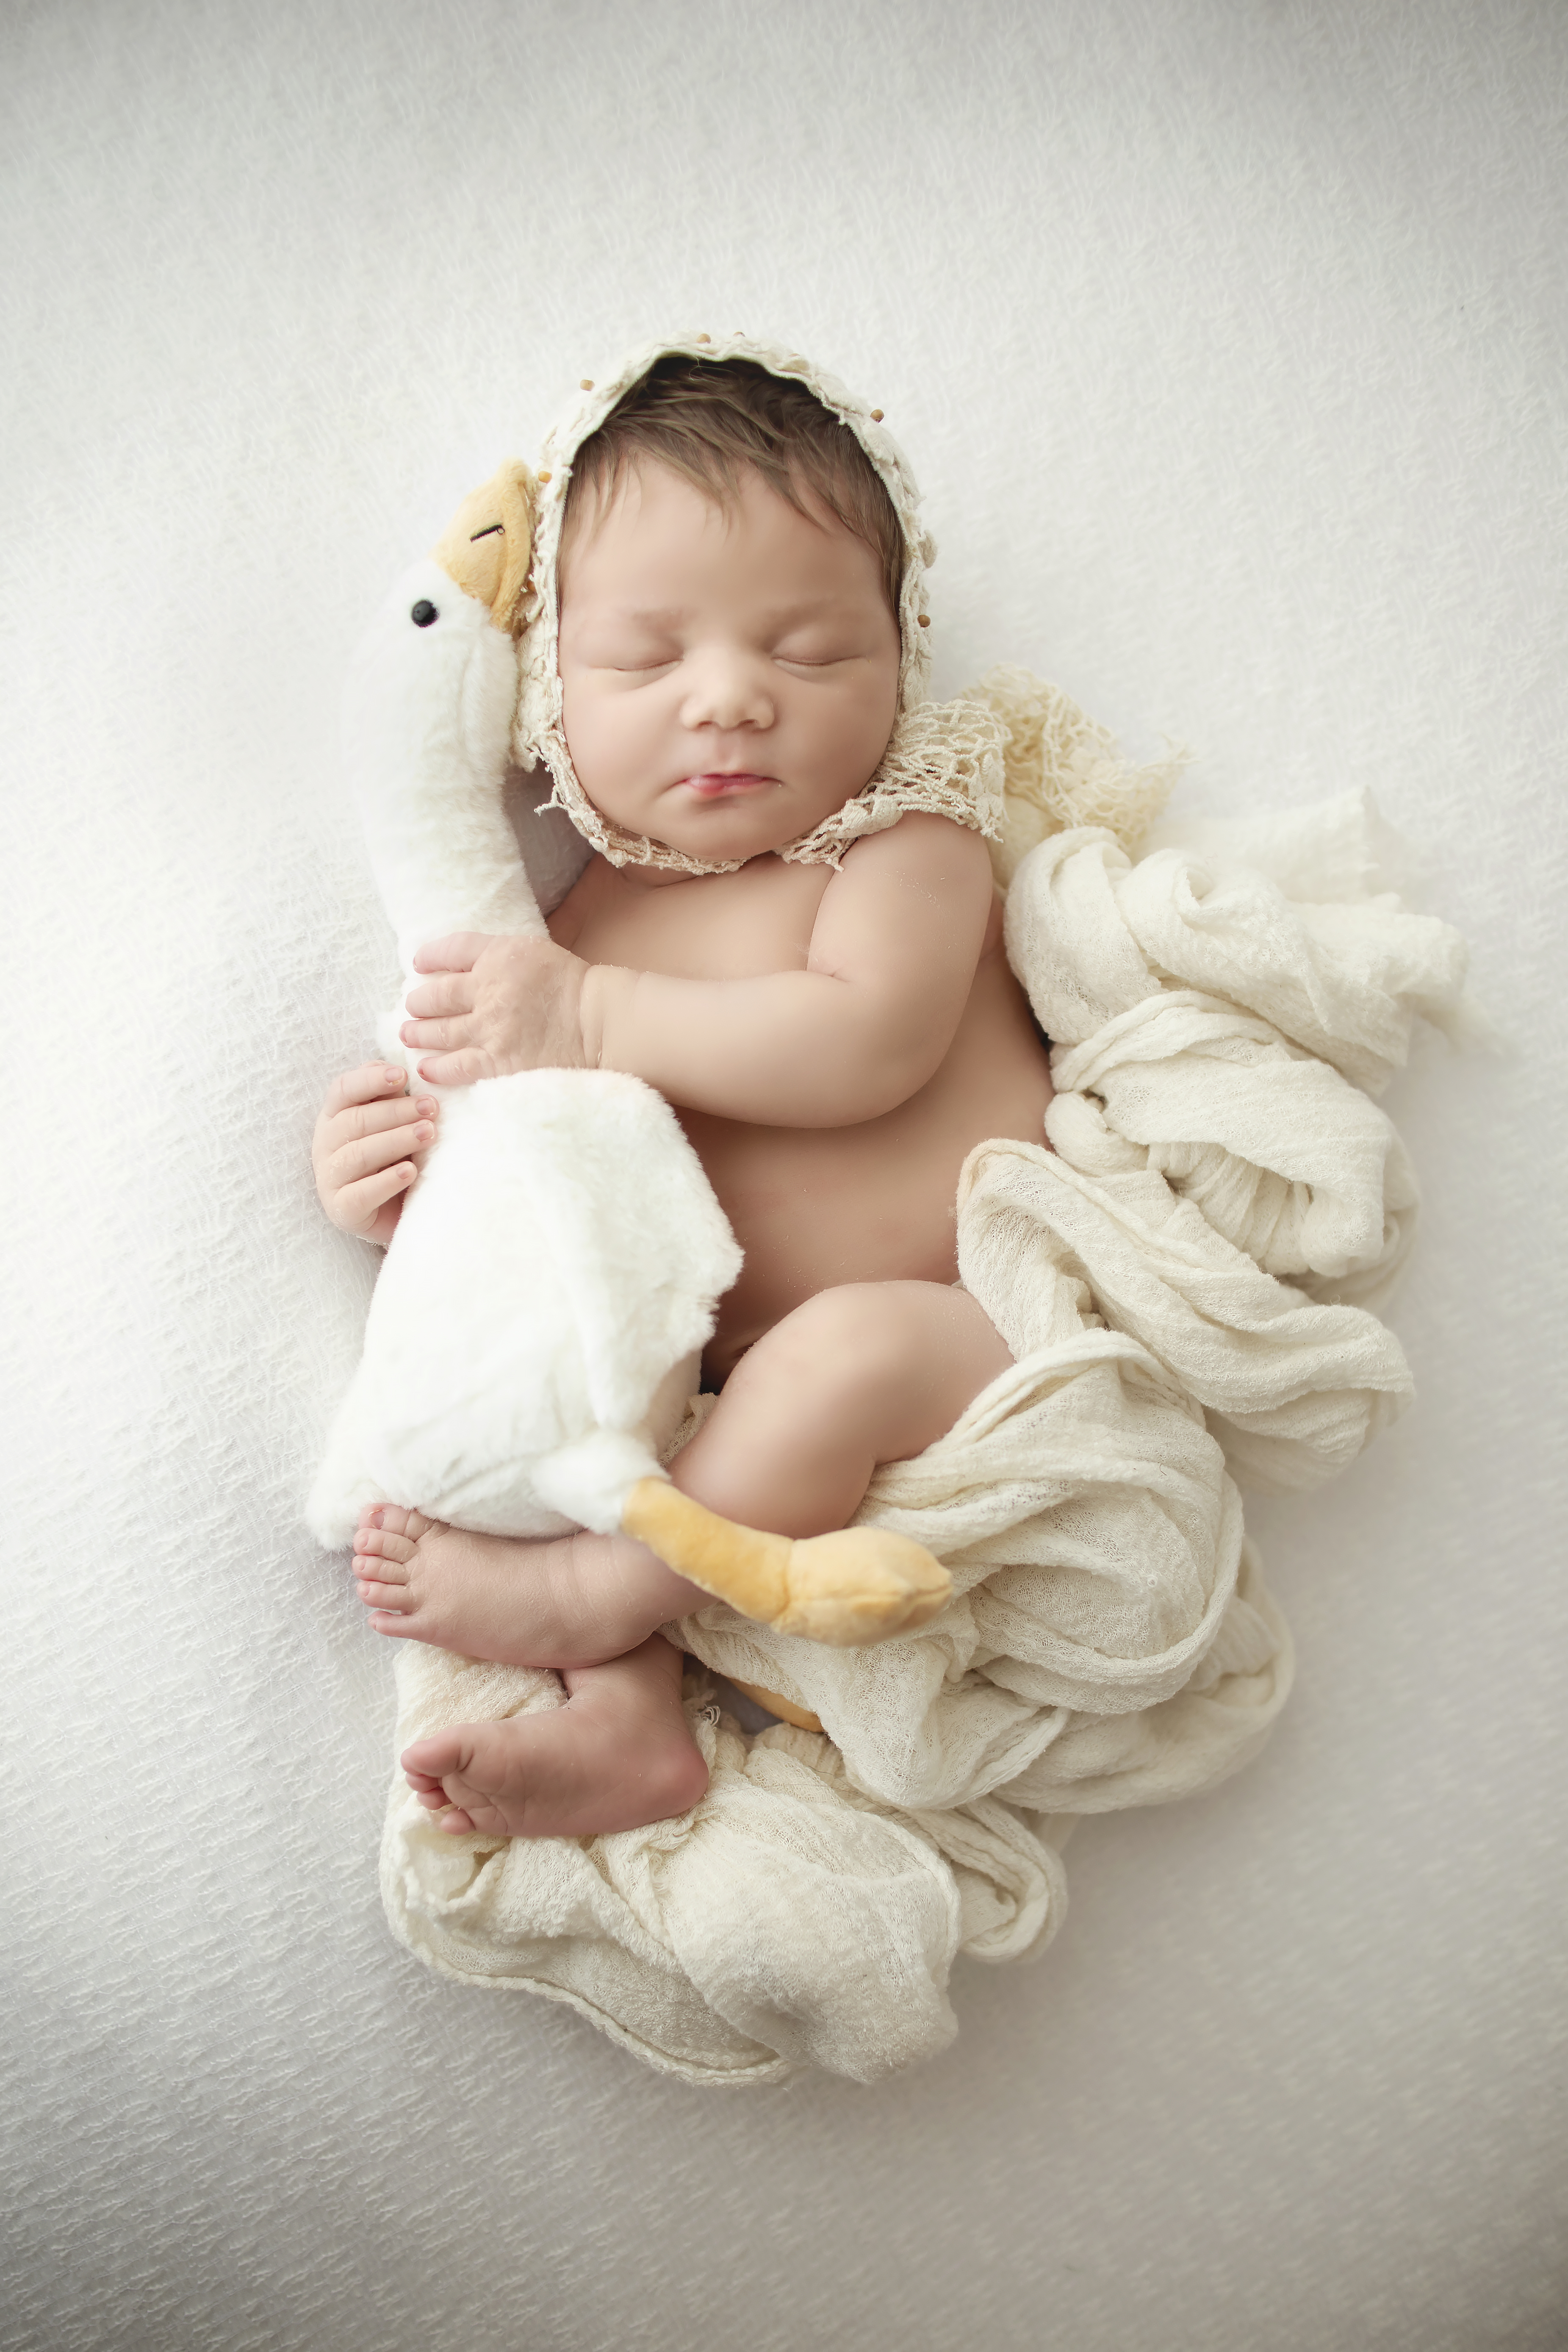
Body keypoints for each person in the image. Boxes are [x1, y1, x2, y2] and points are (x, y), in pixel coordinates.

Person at [310, 355, 1055, 1839]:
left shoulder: (899, 843)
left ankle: (599, 1600)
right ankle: (631, 1720)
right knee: (578, 1409)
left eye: (811, 652)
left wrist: (592, 1017)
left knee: (842, 1350)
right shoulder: (569, 929)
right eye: (648, 661)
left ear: (899, 659)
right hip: (702, 1384)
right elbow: (536, 1176)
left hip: (957, 1329)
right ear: (548, 691)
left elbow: (868, 1047)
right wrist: (394, 1182)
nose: (730, 699)